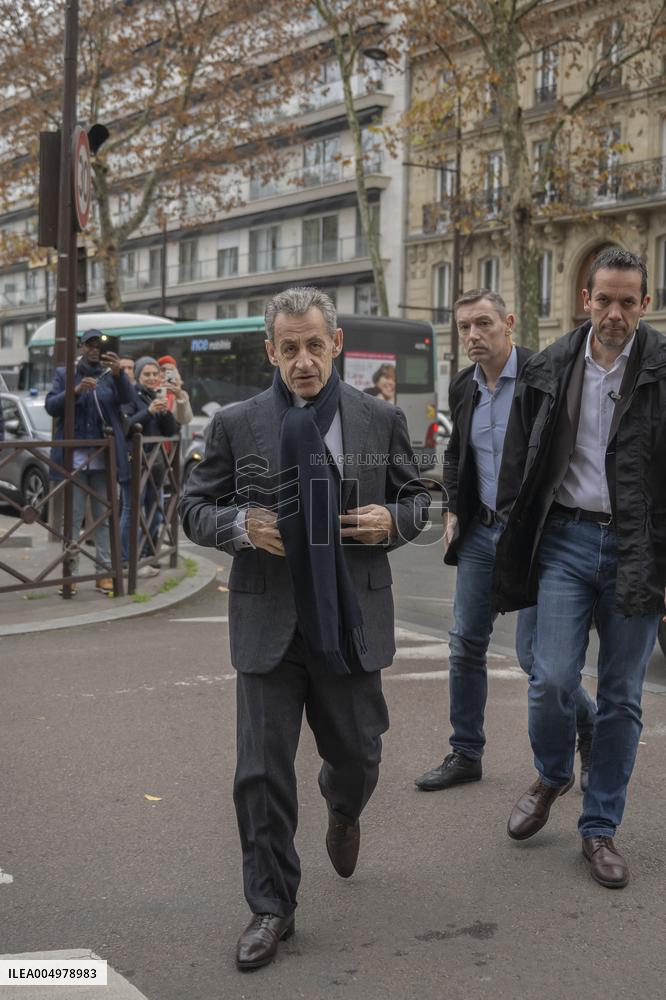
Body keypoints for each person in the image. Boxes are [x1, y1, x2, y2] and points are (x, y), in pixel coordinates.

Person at [179, 286, 429, 970]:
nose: (302, 360)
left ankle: (343, 809)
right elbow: (194, 508)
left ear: (336, 345)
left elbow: (418, 500)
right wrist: (238, 525)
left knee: (359, 754)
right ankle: (271, 906)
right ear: (271, 351)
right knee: (259, 774)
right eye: (288, 348)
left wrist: (394, 521)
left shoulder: (378, 418)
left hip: (348, 621)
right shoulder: (235, 423)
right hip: (268, 621)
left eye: (314, 345)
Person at [494, 247, 666, 889]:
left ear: (645, 304)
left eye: (628, 301)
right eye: (605, 299)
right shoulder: (551, 365)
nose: (615, 312)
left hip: (636, 548)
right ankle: (554, 773)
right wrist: (514, 531)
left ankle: (599, 830)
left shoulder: (661, 369)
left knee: (621, 697)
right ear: (584, 299)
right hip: (564, 539)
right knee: (551, 676)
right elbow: (519, 461)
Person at [414, 290, 595, 793]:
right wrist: (453, 505)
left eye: (484, 324)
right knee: (465, 643)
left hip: (536, 536)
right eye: (465, 326)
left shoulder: (544, 378)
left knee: (536, 660)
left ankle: (588, 723)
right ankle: (465, 752)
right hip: (481, 530)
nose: (473, 335)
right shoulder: (462, 387)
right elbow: (456, 454)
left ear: (509, 324)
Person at [45, 329, 134, 594]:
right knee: (71, 520)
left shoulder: (110, 376)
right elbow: (51, 406)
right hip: (73, 460)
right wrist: (74, 391)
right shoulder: (65, 374)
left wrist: (119, 374)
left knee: (104, 517)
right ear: (81, 347)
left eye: (99, 345)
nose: (95, 349)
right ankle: (69, 574)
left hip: (103, 460)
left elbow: (128, 401)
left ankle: (103, 572)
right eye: (90, 345)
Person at [121, 356, 178, 572]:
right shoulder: (130, 396)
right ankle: (125, 559)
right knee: (131, 509)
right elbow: (127, 426)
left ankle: (148, 553)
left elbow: (170, 431)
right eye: (147, 374)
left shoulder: (156, 395)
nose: (152, 378)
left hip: (156, 463)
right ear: (137, 376)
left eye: (155, 374)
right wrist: (149, 411)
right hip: (134, 461)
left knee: (156, 509)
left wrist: (164, 413)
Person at [157, 354, 193, 426]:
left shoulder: (182, 394)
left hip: (174, 435)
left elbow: (185, 420)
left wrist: (179, 396)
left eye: (170, 371)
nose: (166, 373)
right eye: (163, 370)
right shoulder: (150, 390)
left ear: (176, 373)